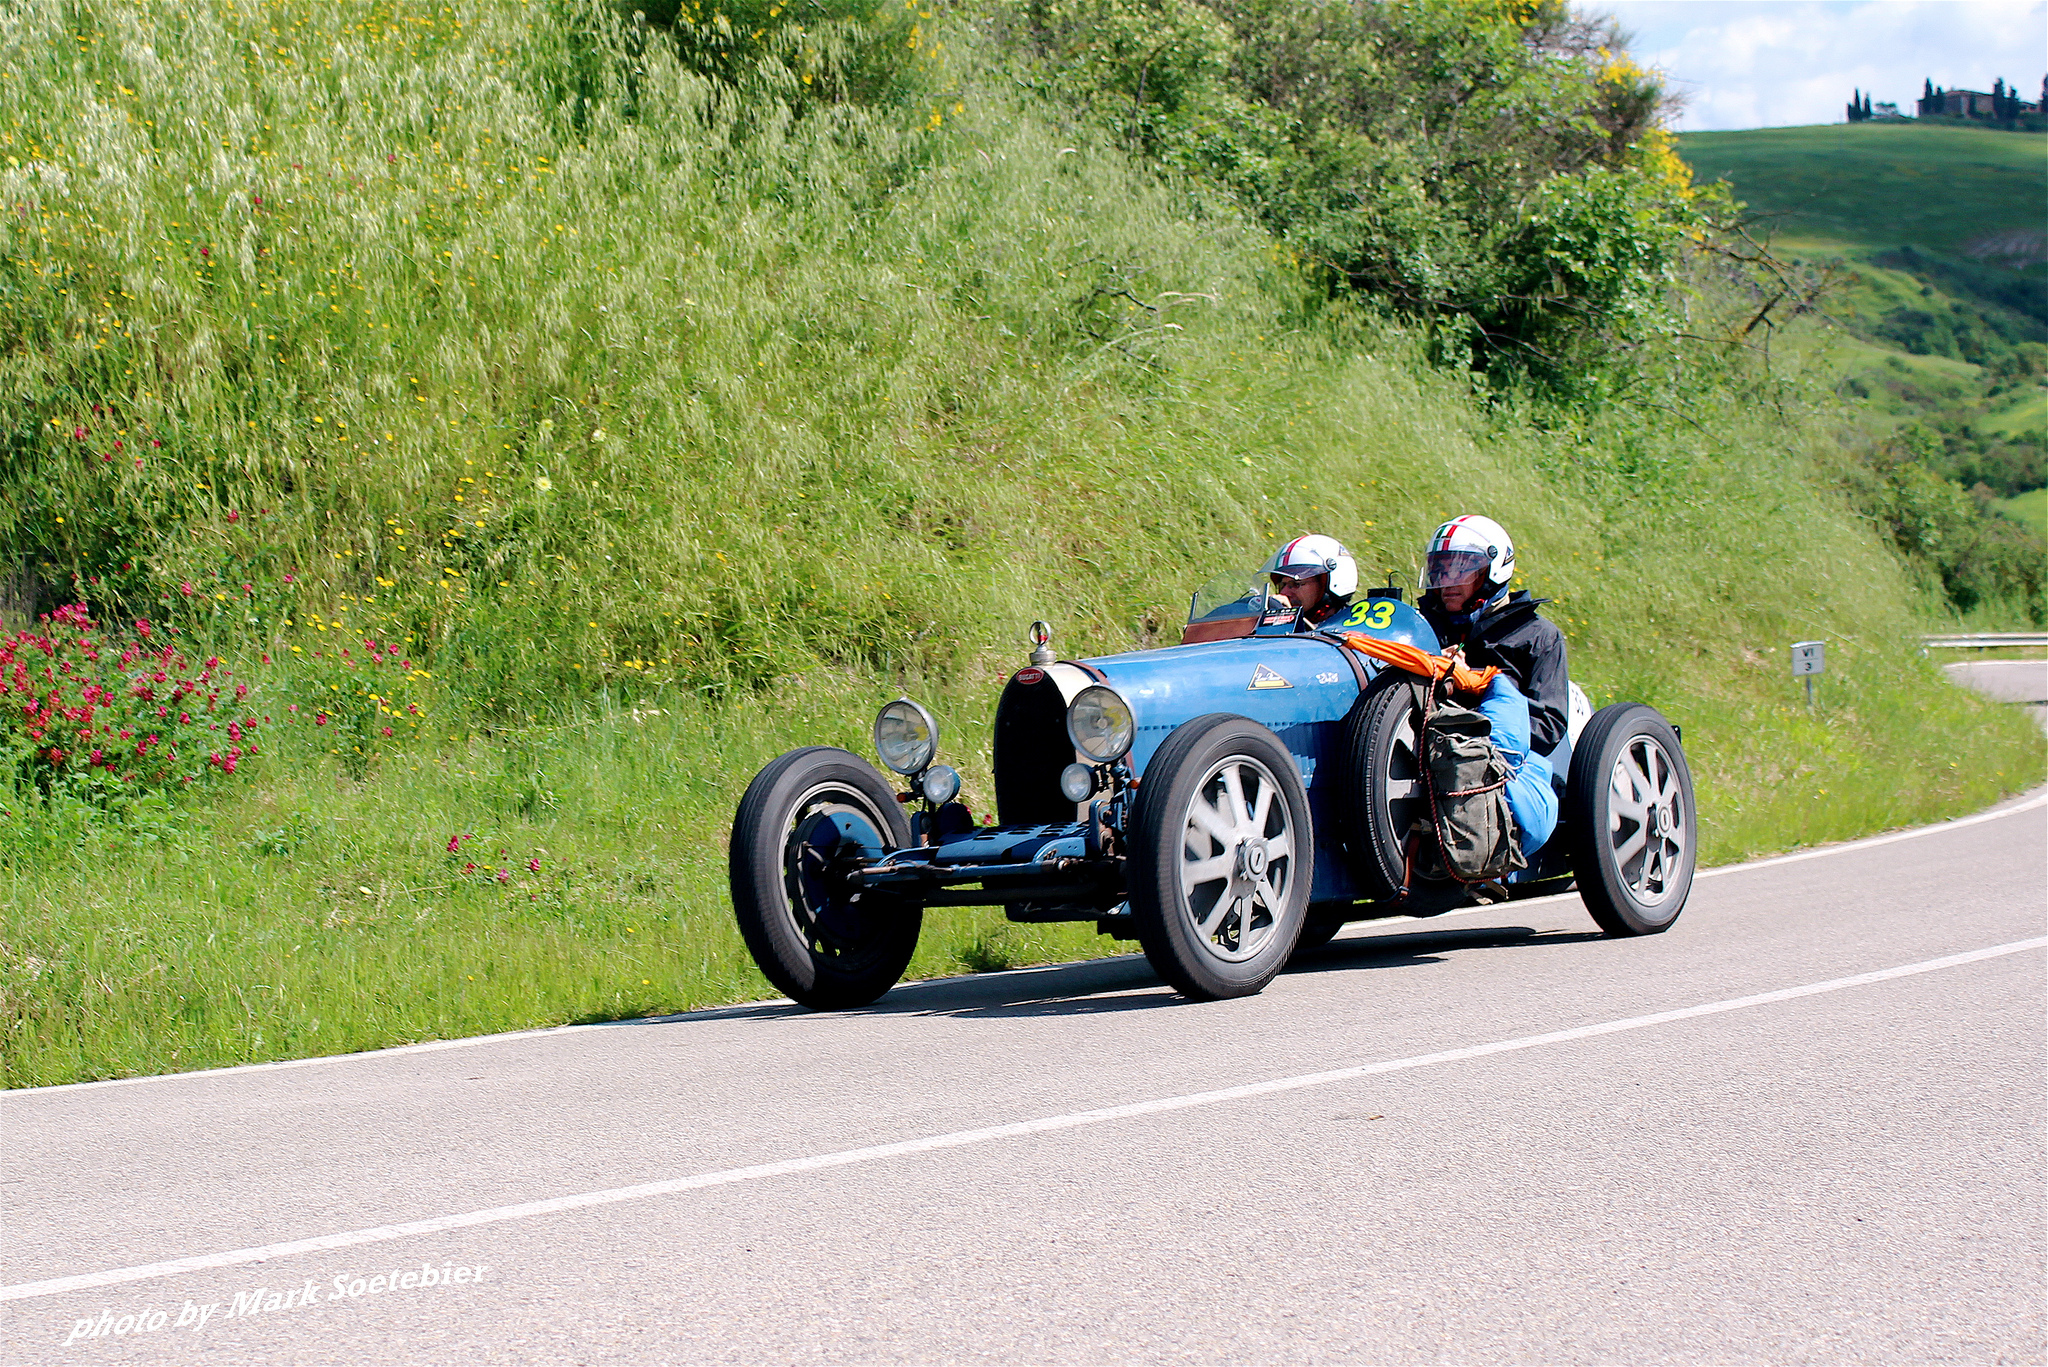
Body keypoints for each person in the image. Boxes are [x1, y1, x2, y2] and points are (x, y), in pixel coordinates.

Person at [1416, 515, 1567, 857]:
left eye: (1460, 570)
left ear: (1492, 571)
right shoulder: (1422, 627)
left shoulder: (1538, 636)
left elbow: (1548, 727)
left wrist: (1477, 686)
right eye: (1440, 570)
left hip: (1503, 758)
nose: (1446, 582)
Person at [1262, 534, 1358, 630]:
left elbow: (1324, 640)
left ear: (1325, 585)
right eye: (1283, 585)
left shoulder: (1354, 627)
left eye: (1296, 584)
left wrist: (1293, 617)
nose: (1284, 593)